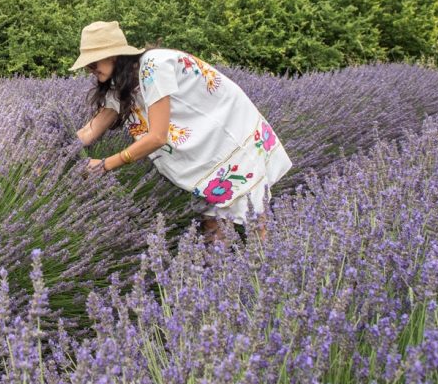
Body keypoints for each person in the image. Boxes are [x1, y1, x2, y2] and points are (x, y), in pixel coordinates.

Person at [71, 21, 292, 244]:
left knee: (253, 215)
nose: (90, 69)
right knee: (213, 220)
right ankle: (222, 269)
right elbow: (90, 131)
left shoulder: (153, 66)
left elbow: (157, 137)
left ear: (114, 55)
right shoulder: (120, 85)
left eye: (93, 62)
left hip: (225, 134)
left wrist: (105, 165)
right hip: (203, 145)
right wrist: (55, 152)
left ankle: (270, 265)